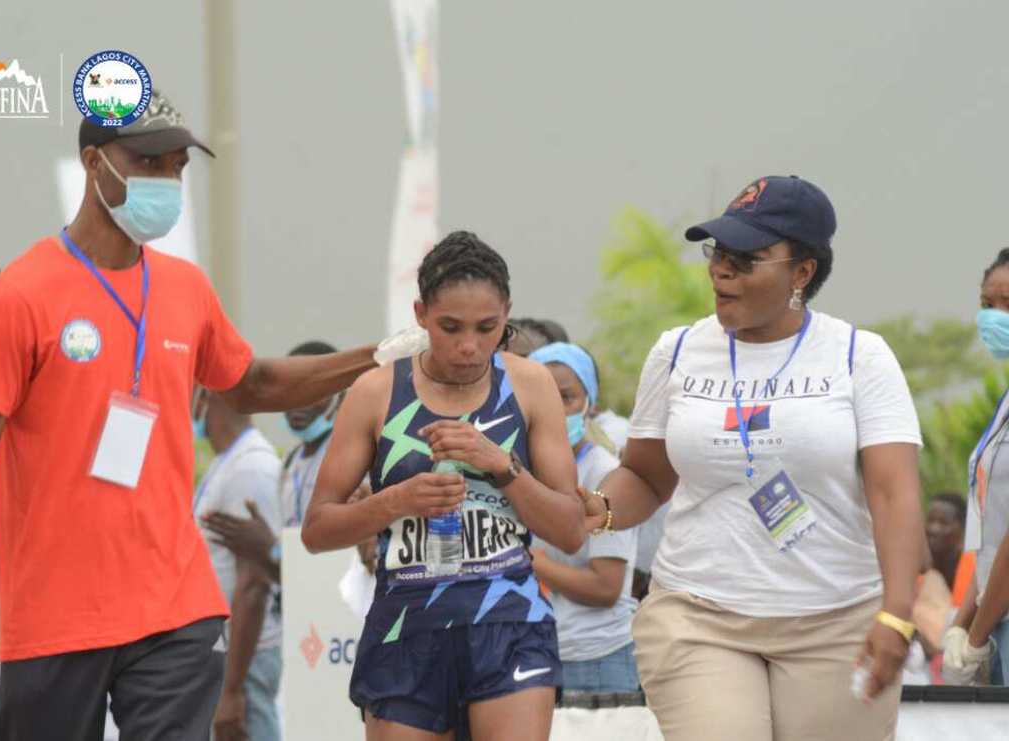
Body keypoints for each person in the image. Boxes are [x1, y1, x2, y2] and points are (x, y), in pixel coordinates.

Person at [0, 91, 385, 741]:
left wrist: (376, 355)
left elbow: (252, 382)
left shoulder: (185, 287)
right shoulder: (23, 292)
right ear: (94, 164)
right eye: (149, 163)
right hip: (56, 615)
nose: (167, 182)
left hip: (177, 606)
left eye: (177, 166)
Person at [589, 175, 924, 740]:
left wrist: (896, 613)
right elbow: (645, 479)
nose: (722, 269)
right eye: (718, 252)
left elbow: (895, 495)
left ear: (802, 272)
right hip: (699, 614)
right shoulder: (676, 352)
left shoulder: (857, 356)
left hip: (836, 619)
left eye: (746, 258)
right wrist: (589, 509)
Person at [301, 231, 585, 741]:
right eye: (449, 327)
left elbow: (569, 531)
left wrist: (502, 466)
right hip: (406, 627)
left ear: (507, 314)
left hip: (509, 621)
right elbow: (317, 530)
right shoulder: (376, 391)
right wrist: (395, 501)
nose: (469, 346)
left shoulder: (530, 385)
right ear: (420, 314)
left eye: (487, 327)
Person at [526, 342, 638, 693]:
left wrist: (531, 563)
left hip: (596, 658)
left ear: (589, 404)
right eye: (543, 396)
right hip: (532, 652)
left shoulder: (605, 475)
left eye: (567, 397)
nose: (555, 409)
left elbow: (605, 587)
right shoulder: (515, 472)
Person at [192, 390, 283, 741]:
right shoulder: (226, 463)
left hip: (246, 660)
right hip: (229, 657)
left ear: (206, 395)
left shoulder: (250, 469)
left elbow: (254, 584)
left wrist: (232, 690)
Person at [943, 247, 1009, 686]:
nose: (994, 317)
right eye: (988, 304)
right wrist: (961, 625)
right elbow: (994, 540)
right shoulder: (1004, 405)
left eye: (1008, 303)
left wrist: (976, 635)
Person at [279, 340, 342, 528]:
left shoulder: (352, 452)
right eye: (289, 389)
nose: (298, 400)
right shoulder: (290, 459)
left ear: (340, 395)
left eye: (311, 389)